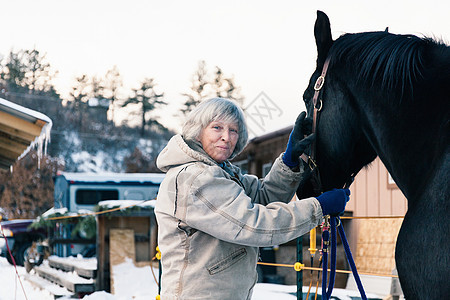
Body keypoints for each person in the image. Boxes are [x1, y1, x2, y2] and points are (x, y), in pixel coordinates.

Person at [155, 97, 350, 300]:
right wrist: (319, 207)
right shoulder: (195, 178)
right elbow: (253, 224)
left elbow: (262, 196)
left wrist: (289, 162)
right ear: (198, 131)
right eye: (217, 128)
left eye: (233, 130)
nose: (226, 137)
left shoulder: (222, 173)